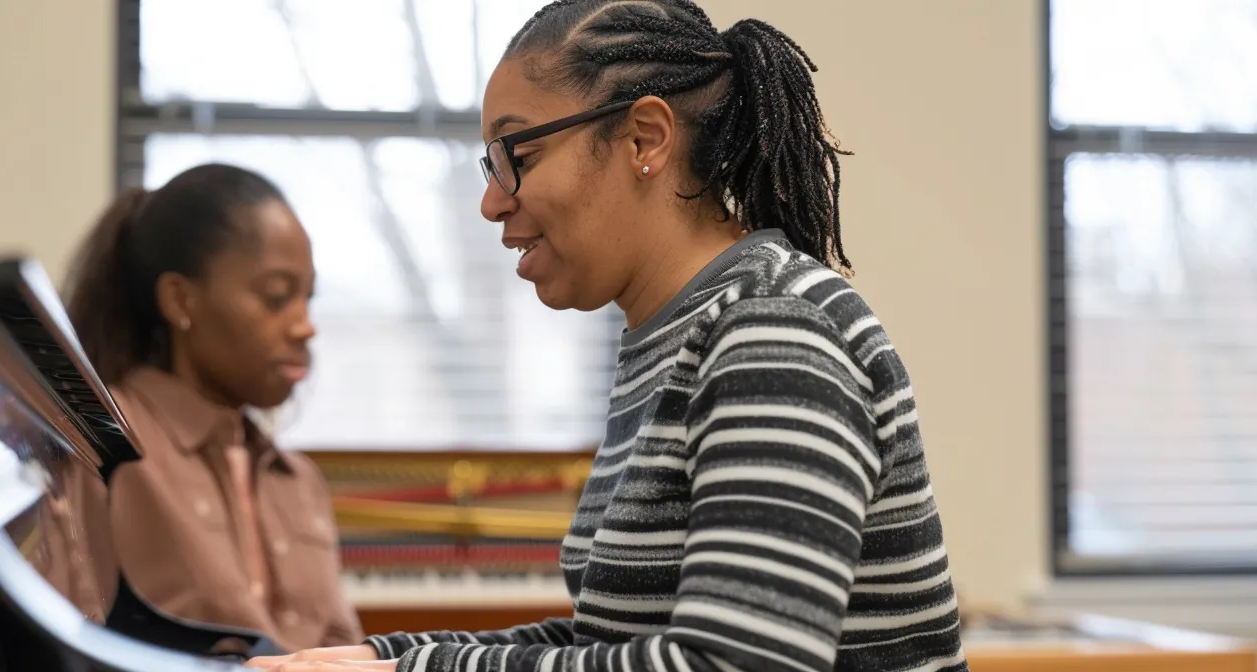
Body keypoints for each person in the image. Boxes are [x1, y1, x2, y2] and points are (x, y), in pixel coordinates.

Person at [249, 2, 965, 672]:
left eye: (515, 156)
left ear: (644, 139)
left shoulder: (774, 330)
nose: (492, 200)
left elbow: (731, 663)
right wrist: (383, 659)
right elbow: (614, 643)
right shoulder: (683, 335)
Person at [64, 164, 363, 653]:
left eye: (308, 299)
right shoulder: (97, 443)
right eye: (276, 297)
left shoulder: (300, 482)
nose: (306, 327)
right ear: (180, 300)